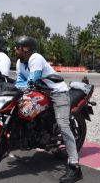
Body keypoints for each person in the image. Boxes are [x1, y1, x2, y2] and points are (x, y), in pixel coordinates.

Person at [13, 36, 82, 183]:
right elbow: (19, 81)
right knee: (18, 111)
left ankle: (75, 166)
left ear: (26, 49)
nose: (15, 49)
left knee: (63, 124)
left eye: (17, 47)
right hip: (38, 92)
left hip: (57, 93)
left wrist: (25, 87)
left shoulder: (35, 57)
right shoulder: (20, 62)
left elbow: (33, 78)